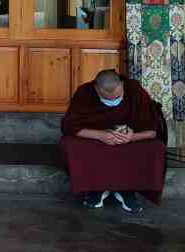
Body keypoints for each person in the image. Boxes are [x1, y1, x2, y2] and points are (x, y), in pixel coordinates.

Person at [60, 69, 167, 212]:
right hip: (96, 139)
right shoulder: (85, 92)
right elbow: (69, 127)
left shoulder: (135, 91)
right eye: (106, 98)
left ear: (122, 85)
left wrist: (132, 137)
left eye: (117, 97)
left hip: (130, 139)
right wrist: (99, 135)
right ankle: (95, 188)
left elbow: (153, 131)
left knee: (156, 148)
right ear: (96, 88)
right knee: (71, 145)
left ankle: (127, 191)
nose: (112, 101)